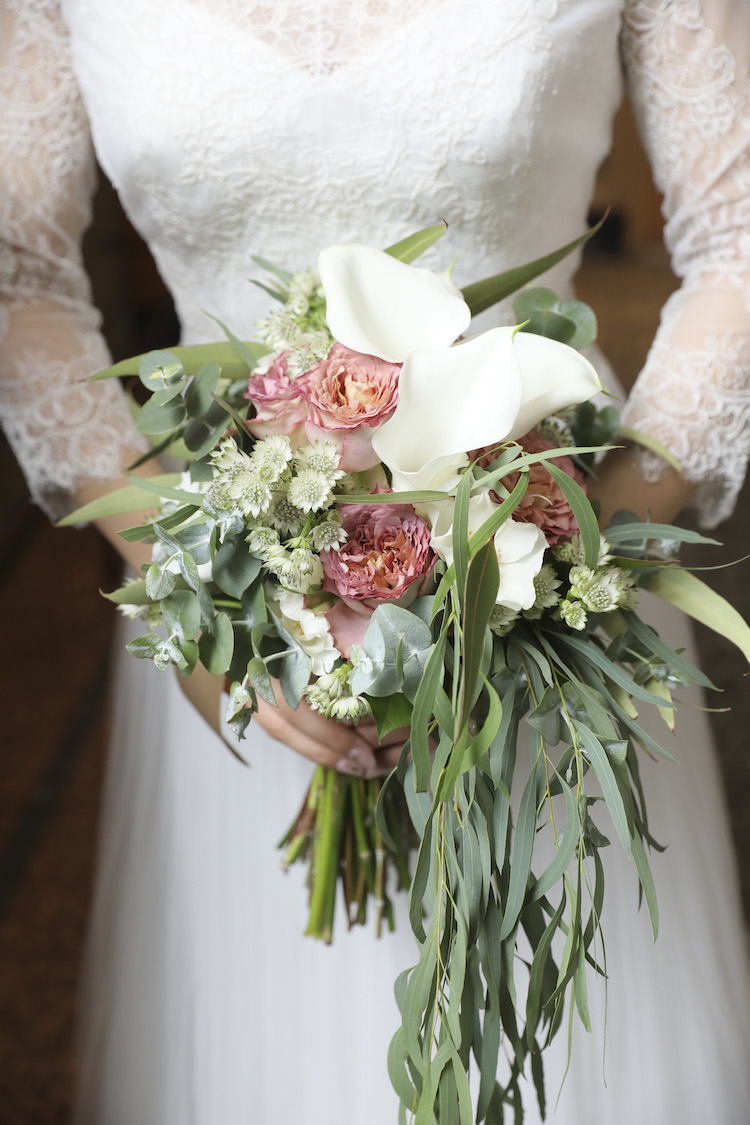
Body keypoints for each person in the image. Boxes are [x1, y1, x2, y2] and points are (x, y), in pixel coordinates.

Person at [1, 1, 749, 1122]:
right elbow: (15, 272)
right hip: (234, 641)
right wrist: (206, 604)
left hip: (543, 636)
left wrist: (562, 551)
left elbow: (743, 239)